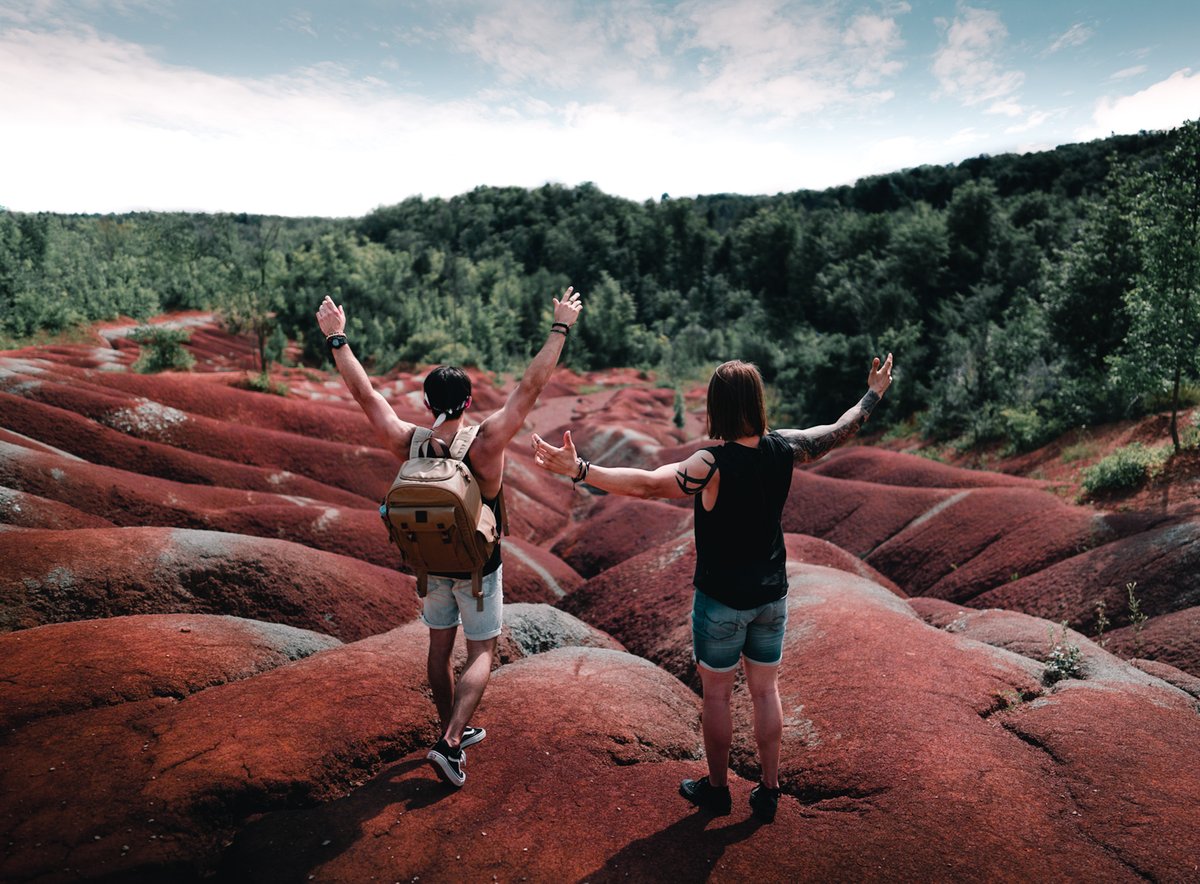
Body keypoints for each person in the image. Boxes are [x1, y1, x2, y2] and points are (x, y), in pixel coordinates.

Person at [531, 354, 893, 822]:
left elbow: (646, 486)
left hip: (721, 600)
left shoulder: (711, 462)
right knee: (766, 693)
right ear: (758, 402)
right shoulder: (787, 448)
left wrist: (580, 470)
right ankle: (768, 790)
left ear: (716, 407)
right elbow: (841, 428)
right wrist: (874, 392)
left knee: (718, 697)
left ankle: (718, 791)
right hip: (771, 595)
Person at [317, 287, 584, 788]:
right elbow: (531, 387)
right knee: (481, 652)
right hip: (479, 568)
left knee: (439, 651)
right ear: (468, 401)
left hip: (429, 566)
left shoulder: (408, 440)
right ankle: (451, 742)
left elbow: (365, 395)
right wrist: (560, 326)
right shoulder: (487, 441)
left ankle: (449, 731)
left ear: (426, 402)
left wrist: (337, 337)